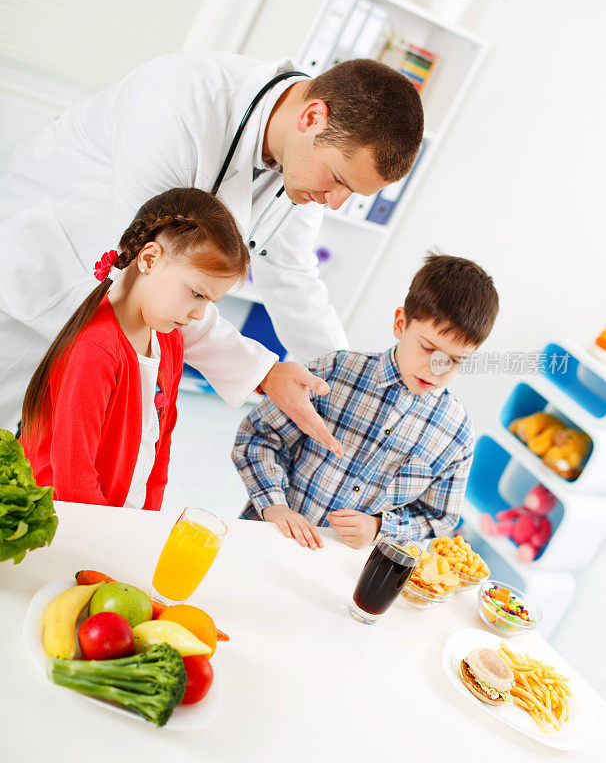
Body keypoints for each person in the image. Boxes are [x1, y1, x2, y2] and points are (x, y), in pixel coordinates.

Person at [0, 52, 424, 451]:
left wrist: (351, 383)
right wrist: (263, 372)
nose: (335, 203)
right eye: (339, 180)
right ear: (312, 117)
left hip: (85, 328)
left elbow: (291, 275)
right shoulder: (176, 106)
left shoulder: (305, 167)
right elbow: (152, 278)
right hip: (30, 280)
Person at [232, 252, 500, 549]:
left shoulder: (457, 433)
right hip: (266, 538)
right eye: (427, 348)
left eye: (455, 360)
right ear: (401, 324)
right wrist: (275, 506)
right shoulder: (334, 371)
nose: (437, 368)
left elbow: (438, 518)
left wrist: (379, 528)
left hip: (346, 571)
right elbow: (258, 438)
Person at [20, 187, 249, 509]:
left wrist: (148, 517)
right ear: (150, 259)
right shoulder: (96, 350)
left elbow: (160, 443)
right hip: (68, 520)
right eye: (197, 294)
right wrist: (107, 534)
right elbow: (73, 476)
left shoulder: (168, 338)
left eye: (211, 301)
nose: (200, 314)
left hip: (118, 516)